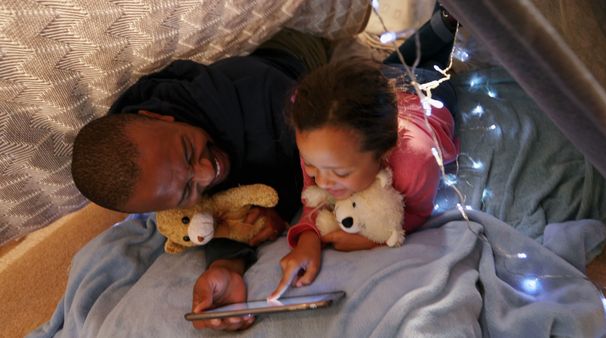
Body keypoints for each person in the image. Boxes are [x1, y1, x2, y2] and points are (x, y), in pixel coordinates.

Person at [71, 29, 330, 331]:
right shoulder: (155, 172)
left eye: (187, 152)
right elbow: (211, 211)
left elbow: (319, 160)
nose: (208, 172)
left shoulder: (255, 91)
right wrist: (226, 264)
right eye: (186, 191)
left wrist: (282, 209)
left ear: (160, 117)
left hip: (296, 54)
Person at [269, 5, 460, 300]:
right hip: (384, 85)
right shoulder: (318, 143)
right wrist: (308, 238)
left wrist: (371, 239)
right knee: (402, 60)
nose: (323, 182)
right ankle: (442, 22)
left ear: (384, 152)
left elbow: (418, 212)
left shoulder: (416, 161)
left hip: (427, 94)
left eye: (341, 173)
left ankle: (450, 20)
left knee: (439, 58)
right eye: (311, 166)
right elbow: (313, 200)